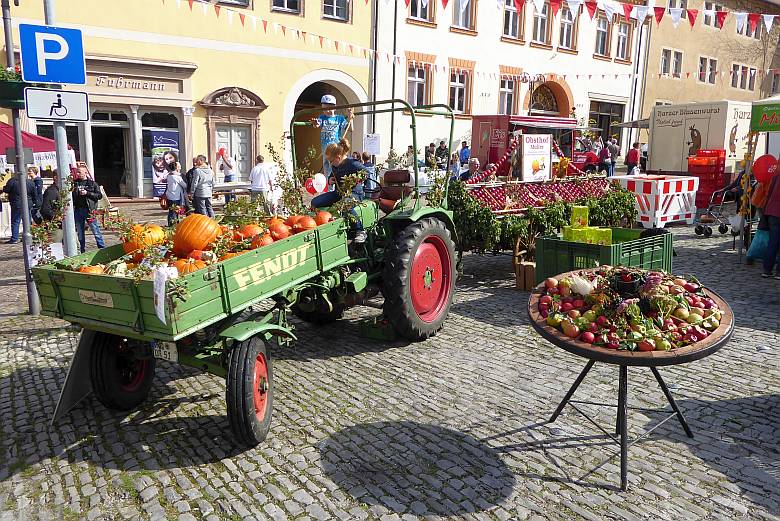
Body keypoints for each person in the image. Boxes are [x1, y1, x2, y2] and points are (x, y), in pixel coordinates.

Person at [313, 138, 367, 242]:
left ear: (338, 157)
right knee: (315, 202)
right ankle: (322, 224)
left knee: (345, 205)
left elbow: (366, 172)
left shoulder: (352, 163)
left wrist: (355, 179)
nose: (330, 164)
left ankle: (360, 230)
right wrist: (330, 180)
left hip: (354, 194)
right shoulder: (335, 165)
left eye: (331, 161)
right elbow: (332, 175)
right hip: (339, 193)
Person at [311, 94, 354, 178]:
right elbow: (317, 124)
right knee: (327, 169)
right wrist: (315, 123)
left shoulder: (339, 118)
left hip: (335, 149)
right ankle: (329, 184)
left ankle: (337, 183)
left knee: (336, 168)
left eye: (329, 108)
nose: (326, 111)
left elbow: (351, 129)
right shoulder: (322, 117)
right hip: (326, 150)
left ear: (334, 107)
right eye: (324, 109)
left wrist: (350, 118)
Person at [72, 165, 105, 253]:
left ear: (85, 172)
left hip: (89, 210)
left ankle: (102, 249)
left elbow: (99, 196)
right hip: (78, 210)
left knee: (95, 230)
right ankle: (81, 250)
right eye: (77, 172)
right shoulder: (75, 183)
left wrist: (87, 193)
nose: (78, 174)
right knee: (80, 232)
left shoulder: (92, 184)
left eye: (79, 172)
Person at [2, 170, 39, 244]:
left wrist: (4, 187)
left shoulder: (12, 181)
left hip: (16, 204)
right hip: (27, 203)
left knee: (15, 221)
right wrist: (35, 203)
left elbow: (6, 190)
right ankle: (28, 236)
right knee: (27, 221)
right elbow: (34, 194)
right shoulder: (30, 182)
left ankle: (15, 238)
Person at [762, 172, 780, 279]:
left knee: (773, 242)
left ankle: (767, 270)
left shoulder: (776, 176)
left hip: (772, 213)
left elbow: (768, 194)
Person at [165, 162, 187, 227]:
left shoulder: (169, 175)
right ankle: (173, 225)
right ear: (176, 168)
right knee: (175, 212)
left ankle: (171, 224)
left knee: (171, 211)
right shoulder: (177, 177)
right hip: (176, 196)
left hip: (169, 195)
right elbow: (184, 185)